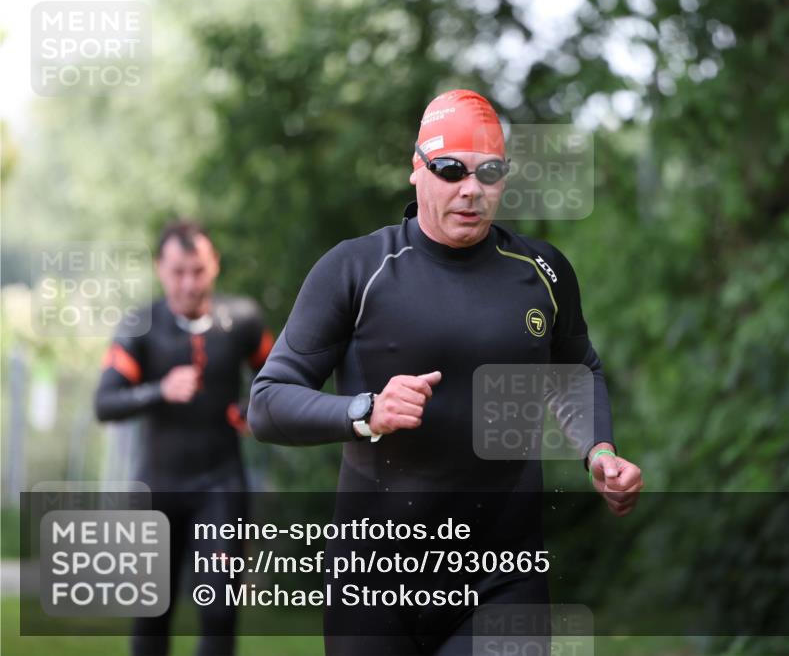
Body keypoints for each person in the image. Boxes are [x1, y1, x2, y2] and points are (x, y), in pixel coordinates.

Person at [248, 89, 643, 655]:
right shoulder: (357, 269)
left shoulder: (543, 272)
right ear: (417, 169)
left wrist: (599, 451)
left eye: (489, 173)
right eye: (451, 170)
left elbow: (575, 369)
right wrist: (366, 412)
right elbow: (268, 402)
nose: (471, 189)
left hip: (504, 579)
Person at [95, 220, 274, 656]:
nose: (189, 284)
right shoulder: (141, 326)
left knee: (219, 612)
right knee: (151, 616)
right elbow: (105, 402)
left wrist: (256, 409)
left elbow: (279, 378)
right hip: (158, 487)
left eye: (198, 271)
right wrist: (160, 389)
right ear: (160, 268)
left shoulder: (243, 320)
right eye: (178, 272)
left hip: (221, 486)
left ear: (215, 266)